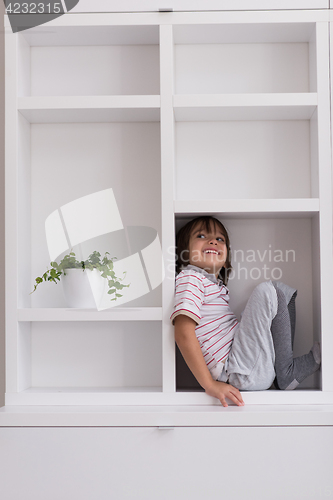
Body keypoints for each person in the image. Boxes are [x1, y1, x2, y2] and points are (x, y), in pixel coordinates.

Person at [170, 216, 321, 407]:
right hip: (235, 371)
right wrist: (209, 384)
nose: (213, 241)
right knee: (267, 291)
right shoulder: (190, 278)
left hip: (245, 365)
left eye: (220, 239)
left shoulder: (214, 286)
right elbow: (183, 333)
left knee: (282, 292)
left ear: (225, 261)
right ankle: (286, 373)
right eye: (201, 235)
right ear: (184, 254)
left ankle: (283, 371)